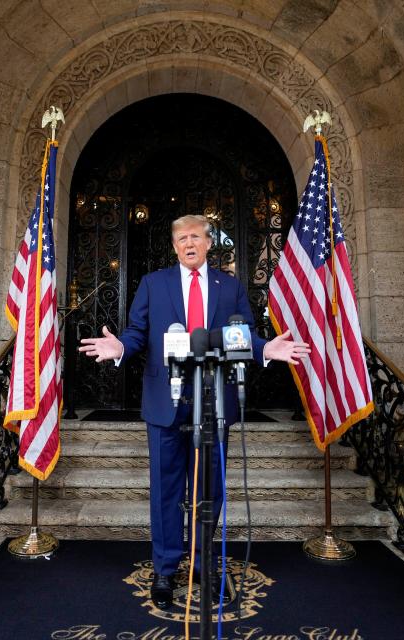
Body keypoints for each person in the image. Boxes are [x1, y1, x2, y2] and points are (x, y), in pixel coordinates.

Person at [79, 214, 310, 609]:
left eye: (195, 237)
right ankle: (166, 569)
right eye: (181, 238)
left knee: (210, 489)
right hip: (165, 402)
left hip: (215, 402)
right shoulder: (154, 284)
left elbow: (243, 333)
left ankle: (203, 562)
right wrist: (120, 349)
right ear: (174, 246)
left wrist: (265, 349)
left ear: (207, 243)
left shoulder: (230, 285)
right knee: (166, 491)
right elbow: (137, 333)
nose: (188, 243)